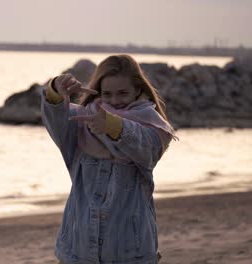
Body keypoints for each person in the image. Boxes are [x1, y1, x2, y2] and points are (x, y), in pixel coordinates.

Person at [41, 54, 177, 264]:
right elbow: (55, 119)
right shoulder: (81, 121)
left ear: (138, 90)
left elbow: (146, 149)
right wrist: (55, 91)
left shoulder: (152, 126)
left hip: (131, 252)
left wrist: (112, 126)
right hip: (77, 249)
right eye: (107, 94)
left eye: (123, 93)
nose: (115, 101)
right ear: (98, 92)